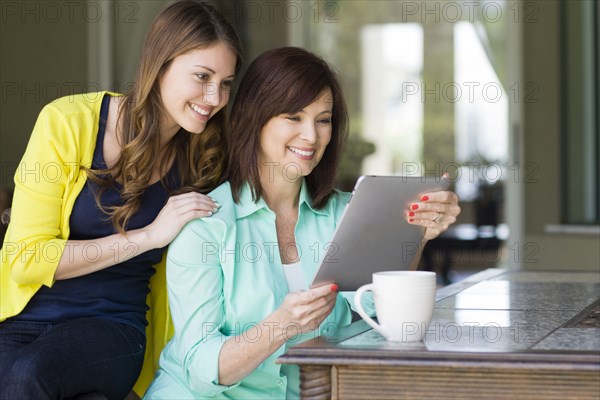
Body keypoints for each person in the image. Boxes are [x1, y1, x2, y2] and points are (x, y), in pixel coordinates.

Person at [143, 47, 461, 399]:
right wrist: (282, 326)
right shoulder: (204, 225)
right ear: (254, 119)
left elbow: (383, 314)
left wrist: (417, 234)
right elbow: (201, 370)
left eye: (323, 119)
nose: (311, 135)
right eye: (293, 117)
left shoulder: (347, 215)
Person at [0, 1, 242, 399]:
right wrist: (146, 237)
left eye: (226, 83)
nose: (214, 97)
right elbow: (26, 259)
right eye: (202, 76)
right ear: (159, 65)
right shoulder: (66, 123)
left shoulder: (206, 160)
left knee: (29, 377)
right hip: (23, 319)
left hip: (113, 327)